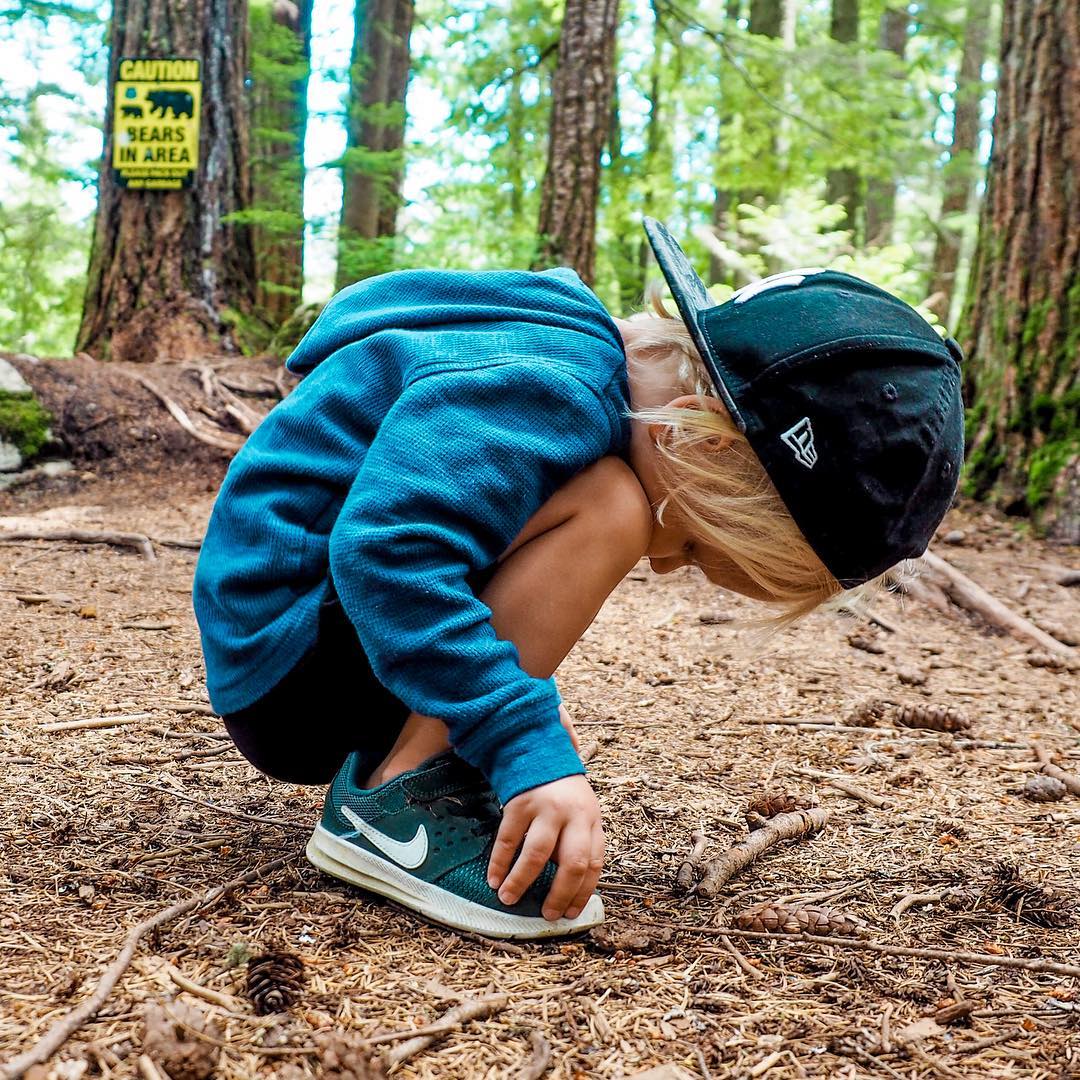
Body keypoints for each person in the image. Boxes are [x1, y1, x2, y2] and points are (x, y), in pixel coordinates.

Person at [193, 218, 964, 940]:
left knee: (615, 501)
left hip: (307, 634)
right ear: (705, 438)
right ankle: (395, 796)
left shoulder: (568, 341)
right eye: (693, 545)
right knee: (613, 507)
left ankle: (433, 755)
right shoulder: (554, 390)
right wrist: (528, 748)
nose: (663, 563)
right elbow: (388, 550)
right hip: (288, 673)